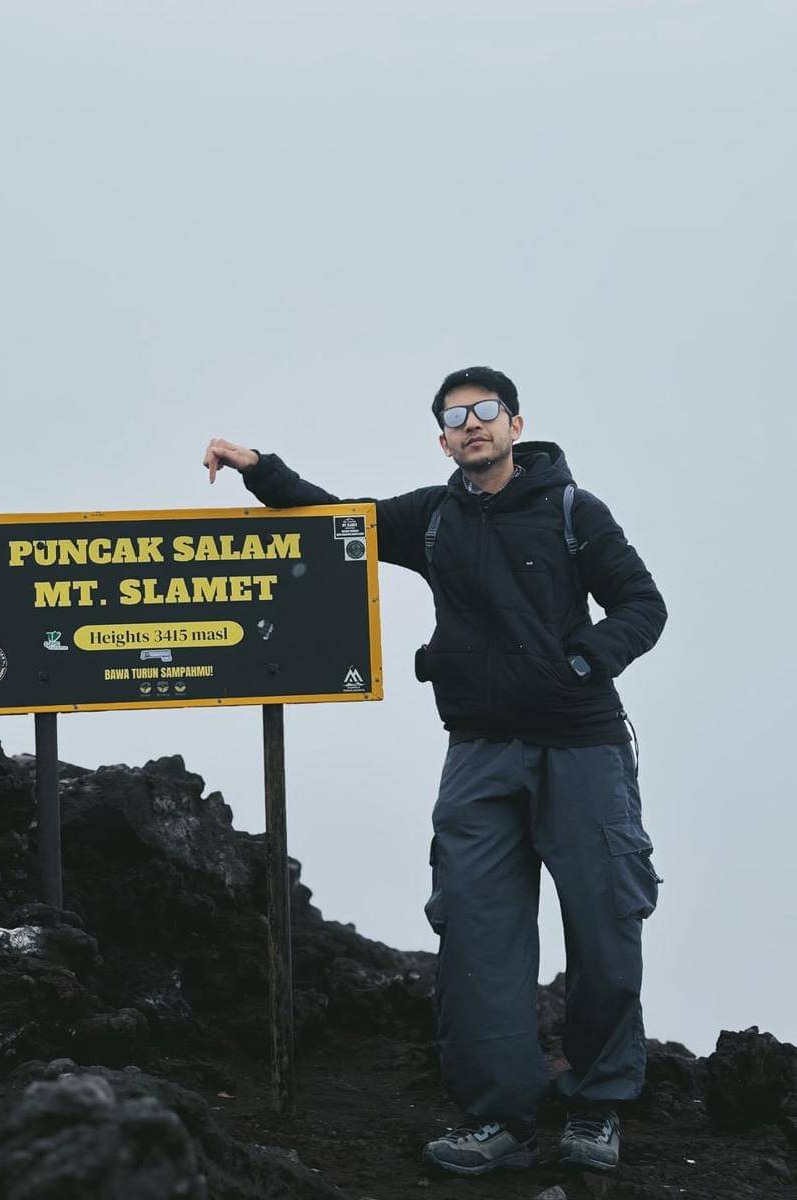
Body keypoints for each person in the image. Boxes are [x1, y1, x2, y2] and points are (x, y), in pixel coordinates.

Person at [202, 366, 667, 1176]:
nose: (471, 424)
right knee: (478, 937)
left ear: (515, 424)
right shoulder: (433, 517)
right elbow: (338, 519)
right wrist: (259, 470)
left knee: (604, 929)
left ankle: (596, 1106)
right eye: (455, 418)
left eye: (485, 410)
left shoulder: (572, 511)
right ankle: (501, 1118)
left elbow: (642, 604)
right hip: (479, 753)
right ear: (444, 441)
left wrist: (581, 664)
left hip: (581, 748)